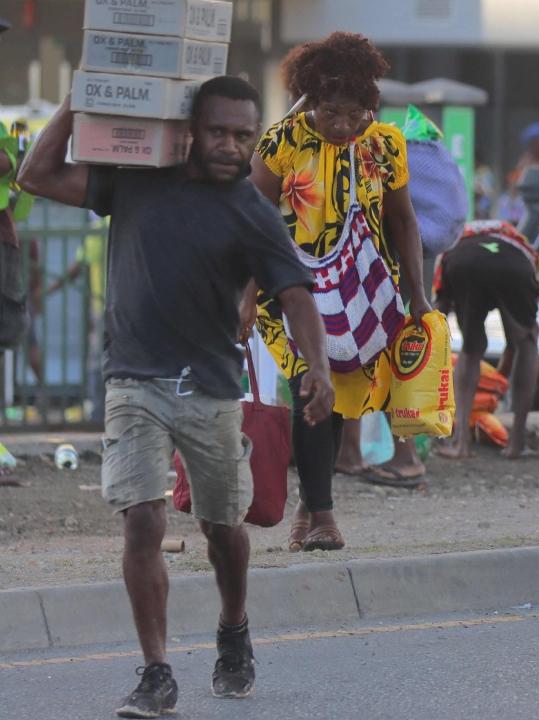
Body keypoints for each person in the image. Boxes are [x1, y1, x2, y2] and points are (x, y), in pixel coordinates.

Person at [18, 77, 334, 718]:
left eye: (243, 136)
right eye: (218, 132)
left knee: (222, 528)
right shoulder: (137, 180)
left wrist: (319, 367)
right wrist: (81, 96)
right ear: (190, 130)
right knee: (142, 518)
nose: (230, 146)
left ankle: (234, 628)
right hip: (133, 381)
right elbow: (35, 175)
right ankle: (156, 672)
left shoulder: (250, 209)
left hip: (212, 388)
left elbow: (296, 295)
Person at [241, 32, 432, 552]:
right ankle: (324, 516)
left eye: (355, 113)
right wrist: (243, 297)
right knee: (310, 383)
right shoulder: (283, 142)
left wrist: (419, 294)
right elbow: (251, 223)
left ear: (370, 105)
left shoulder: (385, 142)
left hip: (359, 293)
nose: (344, 124)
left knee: (341, 391)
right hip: (288, 292)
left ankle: (308, 506)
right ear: (312, 99)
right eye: (331, 112)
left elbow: (404, 220)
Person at [434, 220, 539, 460]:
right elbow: (517, 343)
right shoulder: (520, 244)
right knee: (527, 341)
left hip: (464, 262)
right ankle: (516, 444)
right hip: (513, 266)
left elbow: (439, 306)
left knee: (470, 350)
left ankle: (461, 443)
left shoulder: (455, 240)